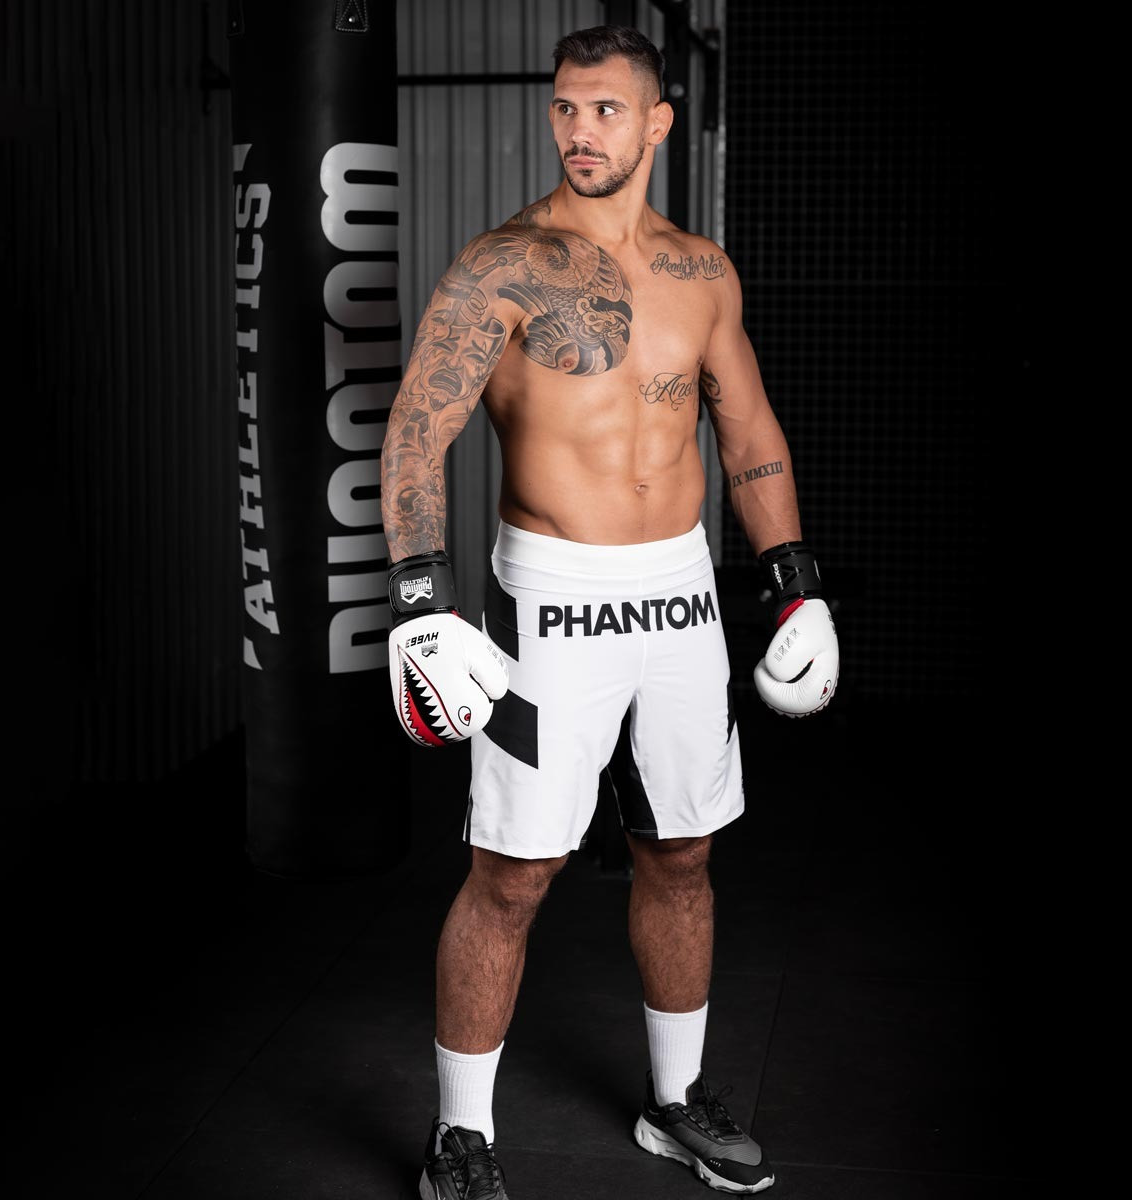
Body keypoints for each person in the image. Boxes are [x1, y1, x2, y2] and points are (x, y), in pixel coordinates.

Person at [380, 25, 838, 1200]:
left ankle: (674, 1104)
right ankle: (461, 1138)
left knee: (681, 853)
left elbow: (746, 428)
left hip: (680, 597)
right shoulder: (500, 266)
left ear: (657, 123)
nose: (579, 131)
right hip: (550, 599)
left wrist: (792, 579)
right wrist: (423, 600)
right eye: (565, 108)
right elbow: (418, 430)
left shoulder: (703, 273)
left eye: (605, 110)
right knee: (512, 872)